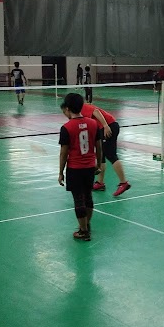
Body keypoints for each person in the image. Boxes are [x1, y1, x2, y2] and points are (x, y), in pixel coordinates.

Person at [59, 93, 103, 241]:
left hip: (75, 168)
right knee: (88, 196)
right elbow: (99, 146)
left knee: (78, 199)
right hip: (90, 167)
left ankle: (83, 231)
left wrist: (60, 172)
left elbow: (64, 153)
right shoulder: (93, 123)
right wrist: (98, 162)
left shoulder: (66, 127)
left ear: (68, 108)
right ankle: (87, 224)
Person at [82, 103, 131, 197]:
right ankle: (100, 183)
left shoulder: (83, 107)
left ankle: (123, 182)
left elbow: (96, 111)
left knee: (111, 155)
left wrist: (105, 126)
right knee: (101, 156)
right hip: (102, 129)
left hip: (109, 126)